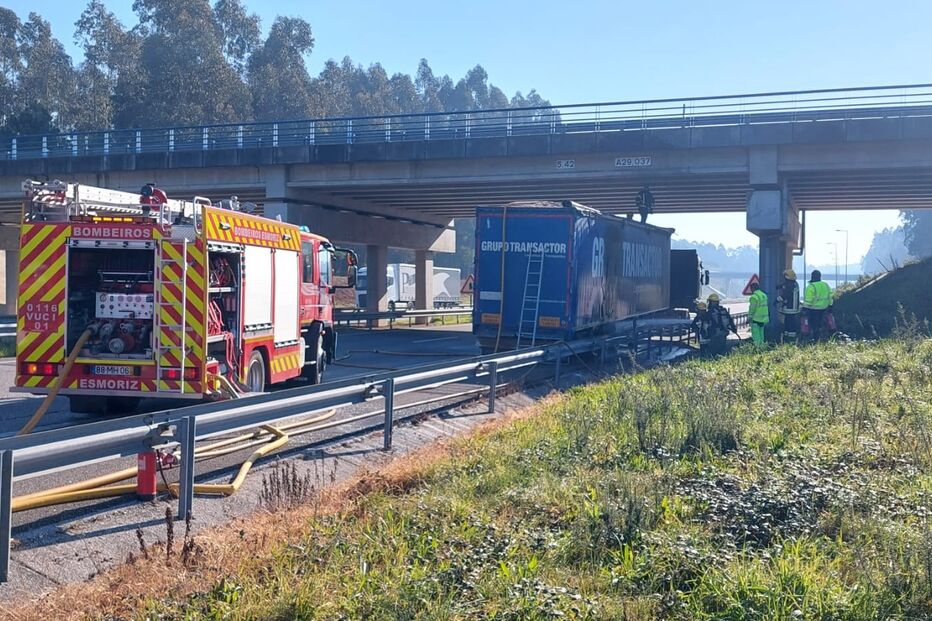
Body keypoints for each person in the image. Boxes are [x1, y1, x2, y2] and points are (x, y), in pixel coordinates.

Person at [803, 270, 833, 342]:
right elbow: (830, 296)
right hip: (824, 307)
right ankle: (822, 336)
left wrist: (804, 309)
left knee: (813, 324)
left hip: (813, 308)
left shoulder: (811, 286)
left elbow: (808, 300)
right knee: (821, 323)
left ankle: (815, 339)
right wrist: (830, 305)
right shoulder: (826, 285)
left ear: (812, 276)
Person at [776, 268, 800, 343]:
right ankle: (789, 338)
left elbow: (785, 295)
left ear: (787, 277)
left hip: (790, 308)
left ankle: (789, 339)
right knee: (789, 322)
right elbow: (784, 286)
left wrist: (776, 300)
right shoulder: (794, 283)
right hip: (794, 308)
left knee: (789, 323)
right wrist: (780, 286)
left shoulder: (790, 285)